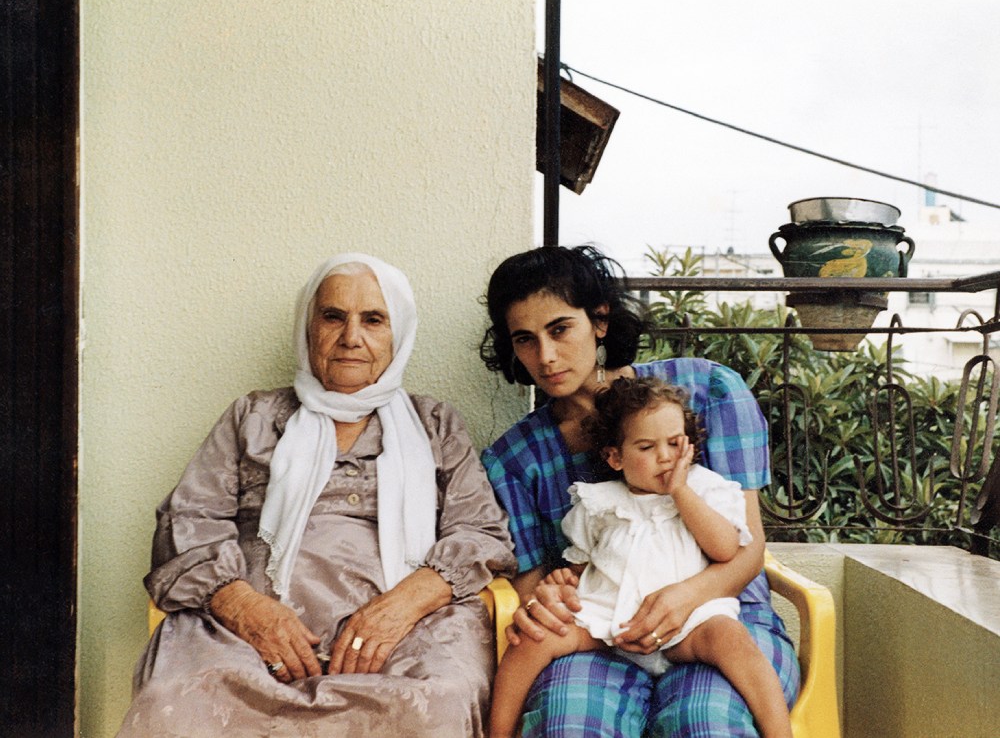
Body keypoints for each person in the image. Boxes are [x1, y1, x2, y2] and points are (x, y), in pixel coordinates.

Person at [117, 253, 516, 738]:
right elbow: (188, 518)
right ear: (308, 330)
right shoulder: (255, 416)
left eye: (373, 319)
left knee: (438, 700)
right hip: (247, 634)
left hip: (405, 632)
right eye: (333, 317)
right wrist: (245, 608)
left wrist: (401, 607)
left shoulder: (435, 425)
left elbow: (480, 532)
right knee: (174, 698)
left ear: (399, 334)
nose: (351, 337)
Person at [479, 245, 800, 737]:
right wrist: (550, 591)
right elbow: (535, 581)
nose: (545, 356)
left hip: (722, 611)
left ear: (600, 320)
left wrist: (686, 597)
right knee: (568, 720)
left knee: (707, 719)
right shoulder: (514, 459)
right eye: (525, 339)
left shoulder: (707, 392)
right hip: (604, 622)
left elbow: (747, 548)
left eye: (560, 329)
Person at [490, 377, 792, 738]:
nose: (665, 457)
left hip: (690, 623)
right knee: (531, 641)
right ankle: (499, 731)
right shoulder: (597, 502)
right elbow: (580, 563)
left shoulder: (705, 489)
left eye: (675, 443)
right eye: (647, 447)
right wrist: (562, 582)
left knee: (735, 642)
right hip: (607, 621)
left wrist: (680, 492)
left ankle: (780, 733)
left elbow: (726, 549)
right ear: (615, 457)